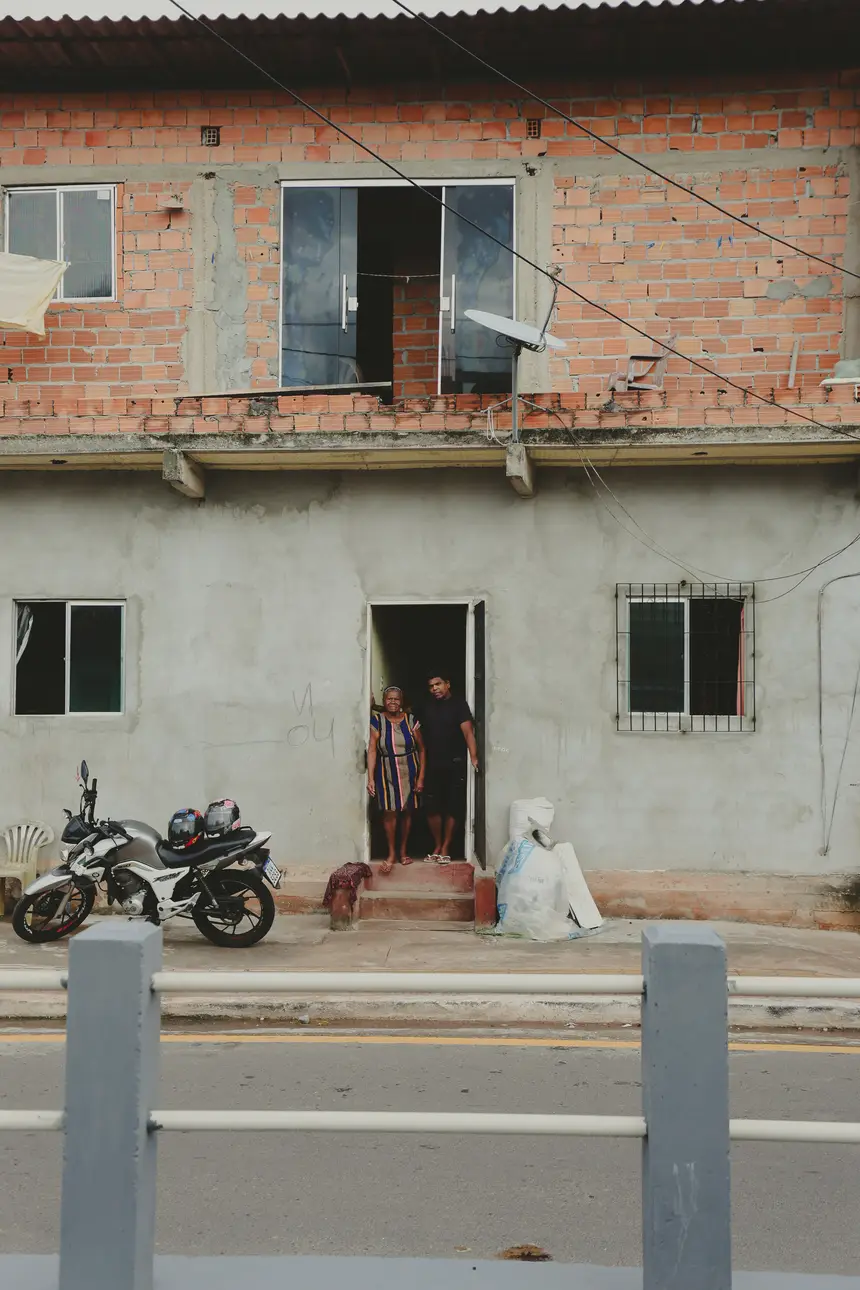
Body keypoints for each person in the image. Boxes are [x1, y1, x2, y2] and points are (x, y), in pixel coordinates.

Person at [367, 686, 426, 874]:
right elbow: (373, 749)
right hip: (386, 770)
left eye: (396, 699)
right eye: (389, 699)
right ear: (384, 701)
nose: (393, 702)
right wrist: (370, 778)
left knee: (407, 812)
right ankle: (391, 853)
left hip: (410, 769)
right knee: (389, 812)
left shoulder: (411, 720)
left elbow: (422, 749)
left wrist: (421, 777)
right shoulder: (377, 721)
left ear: (402, 702)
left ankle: (403, 851)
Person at [421, 673, 479, 863]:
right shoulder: (427, 707)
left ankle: (446, 846)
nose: (435, 689)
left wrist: (474, 757)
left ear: (448, 684)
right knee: (431, 808)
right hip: (431, 763)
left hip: (454, 763)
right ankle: (437, 845)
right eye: (431, 686)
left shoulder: (459, 705)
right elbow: (406, 717)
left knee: (452, 806)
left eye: (438, 684)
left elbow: (468, 733)